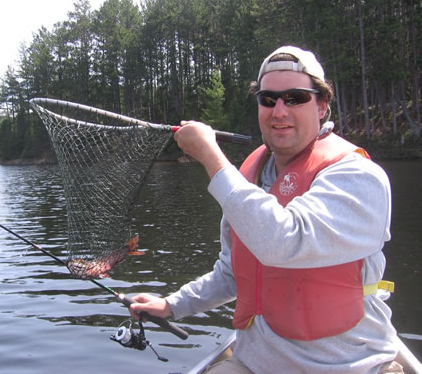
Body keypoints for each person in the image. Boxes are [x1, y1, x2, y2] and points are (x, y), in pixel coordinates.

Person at [129, 46, 401, 373]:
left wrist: (210, 156)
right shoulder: (250, 176)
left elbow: (283, 242)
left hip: (351, 367)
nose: (279, 111)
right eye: (268, 99)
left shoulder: (358, 177)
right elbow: (233, 272)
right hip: (254, 364)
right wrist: (172, 305)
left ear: (322, 105)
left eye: (295, 98)